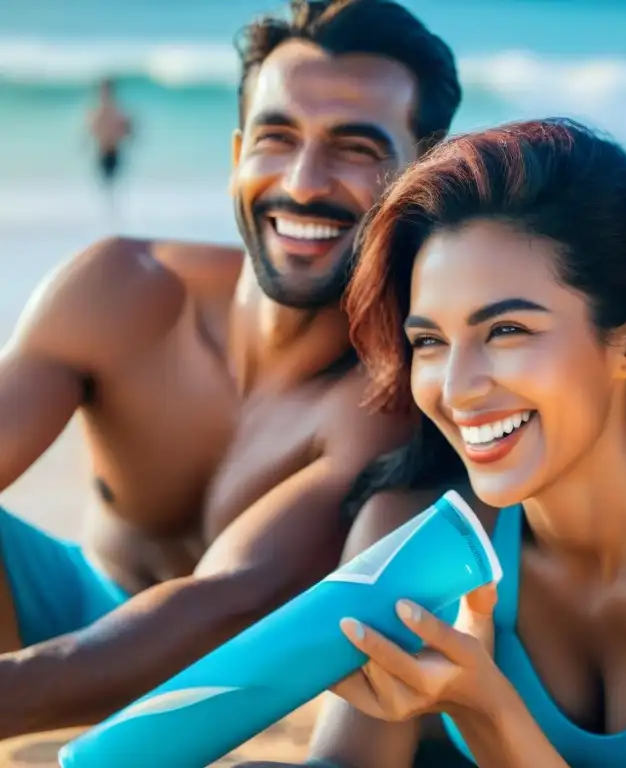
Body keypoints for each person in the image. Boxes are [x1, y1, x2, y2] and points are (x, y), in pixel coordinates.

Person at [259, 118, 626, 768]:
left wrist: (484, 706)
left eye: (507, 330)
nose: (457, 390)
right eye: (429, 342)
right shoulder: (407, 537)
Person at [0, 0, 460, 739]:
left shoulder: (390, 396)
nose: (304, 182)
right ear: (238, 153)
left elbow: (223, 608)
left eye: (355, 147)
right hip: (63, 605)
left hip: (208, 691)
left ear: (423, 176)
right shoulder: (120, 288)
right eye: (278, 138)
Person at [87, 77, 133, 209]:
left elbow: (127, 131)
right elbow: (92, 131)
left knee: (113, 187)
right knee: (105, 187)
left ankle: (113, 213)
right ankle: (108, 212)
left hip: (114, 153)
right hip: (102, 154)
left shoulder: (117, 112)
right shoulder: (98, 111)